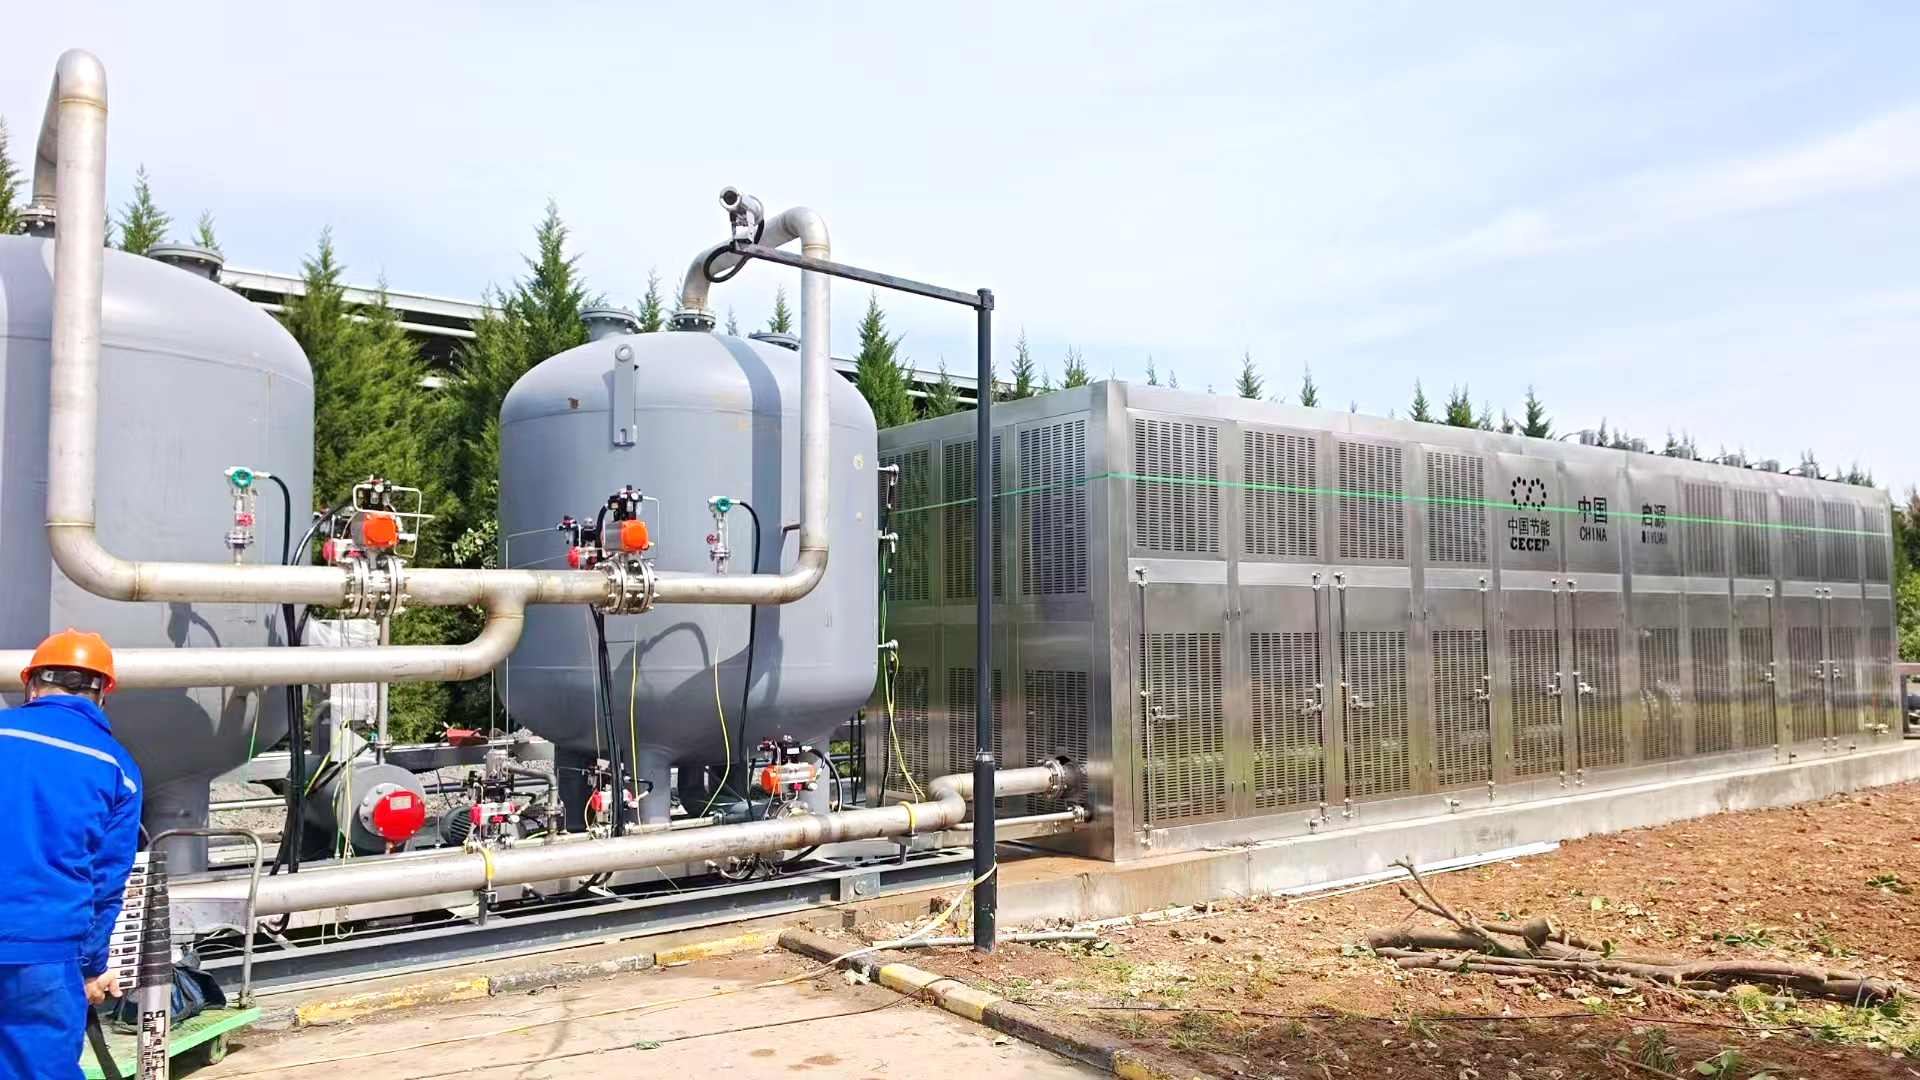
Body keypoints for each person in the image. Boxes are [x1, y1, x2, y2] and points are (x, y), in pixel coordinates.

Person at [0, 631, 141, 1080]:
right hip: (44, 954)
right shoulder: (117, 766)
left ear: (31, 685)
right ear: (101, 694)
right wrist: (93, 967)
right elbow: (106, 881)